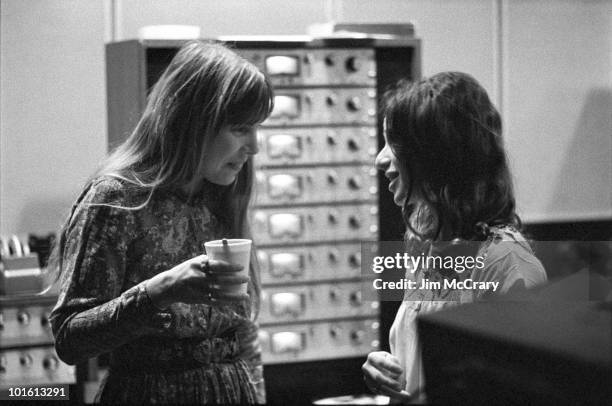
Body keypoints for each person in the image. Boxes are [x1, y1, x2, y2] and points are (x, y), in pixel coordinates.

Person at [49, 40, 274, 404]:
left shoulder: (222, 193)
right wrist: (158, 292)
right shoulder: (118, 198)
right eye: (239, 129)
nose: (254, 147)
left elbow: (243, 330)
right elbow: (70, 340)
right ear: (194, 123)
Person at [362, 72, 547, 403]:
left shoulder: (509, 266)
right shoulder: (424, 239)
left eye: (394, 143)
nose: (380, 159)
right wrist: (387, 369)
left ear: (436, 154)